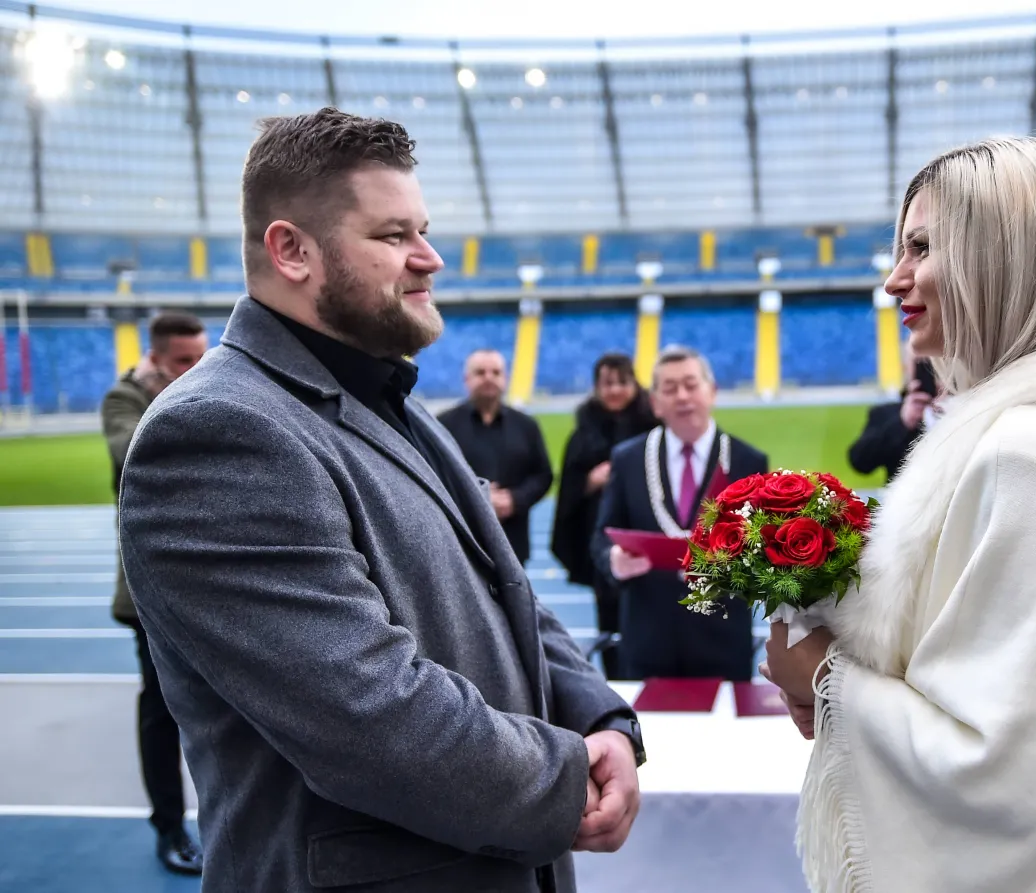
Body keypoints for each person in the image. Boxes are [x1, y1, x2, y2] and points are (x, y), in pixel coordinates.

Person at [117, 108, 643, 893]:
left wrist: (602, 717)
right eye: (394, 236)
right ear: (291, 249)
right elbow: (368, 717)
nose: (429, 258)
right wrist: (569, 774)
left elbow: (508, 596)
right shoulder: (219, 433)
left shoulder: (387, 397)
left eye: (423, 230)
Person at [762, 137, 1036, 892]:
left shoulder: (1027, 453)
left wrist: (820, 673)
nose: (894, 279)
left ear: (1003, 254)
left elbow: (1003, 782)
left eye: (921, 247)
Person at [100, 310, 208, 876]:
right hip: (151, 584)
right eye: (183, 362)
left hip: (213, 582)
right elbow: (137, 455)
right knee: (162, 713)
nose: (196, 370)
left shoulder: (205, 389)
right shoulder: (124, 400)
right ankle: (169, 827)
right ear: (156, 359)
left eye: (201, 358)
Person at [591, 346, 767, 681]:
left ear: (711, 392)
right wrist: (614, 559)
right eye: (669, 389)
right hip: (647, 641)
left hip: (723, 641)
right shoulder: (628, 459)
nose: (682, 396)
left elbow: (763, 548)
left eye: (690, 384)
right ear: (655, 402)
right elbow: (601, 535)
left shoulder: (748, 461)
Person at [550, 353, 657, 679]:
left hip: (649, 537)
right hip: (603, 542)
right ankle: (617, 680)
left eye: (622, 382)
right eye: (607, 383)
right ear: (596, 388)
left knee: (655, 613)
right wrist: (589, 481)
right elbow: (567, 485)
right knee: (610, 618)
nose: (615, 390)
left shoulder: (653, 427)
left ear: (634, 385)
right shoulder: (583, 432)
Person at [437, 349, 554, 565]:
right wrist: (475, 498)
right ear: (467, 379)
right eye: (480, 372)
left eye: (496, 372)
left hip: (513, 538)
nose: (489, 378)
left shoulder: (526, 425)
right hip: (461, 538)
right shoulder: (442, 425)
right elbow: (432, 475)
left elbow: (543, 475)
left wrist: (514, 499)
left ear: (505, 378)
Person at [847, 352, 942, 483]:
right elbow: (860, 462)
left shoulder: (964, 409)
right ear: (907, 367)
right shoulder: (886, 413)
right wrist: (903, 423)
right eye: (921, 363)